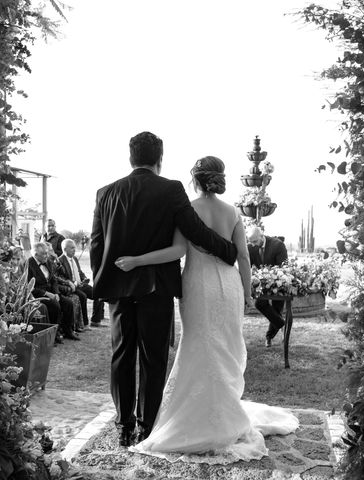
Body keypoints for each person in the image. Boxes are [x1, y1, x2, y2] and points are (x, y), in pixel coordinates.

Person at [115, 156, 298, 463]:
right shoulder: (233, 212)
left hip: (198, 285)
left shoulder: (188, 210)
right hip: (228, 288)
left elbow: (176, 251)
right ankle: (224, 415)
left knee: (199, 345)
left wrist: (137, 260)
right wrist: (248, 293)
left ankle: (196, 417)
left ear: (196, 180)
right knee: (225, 348)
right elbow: (243, 258)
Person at [90, 132, 238, 448]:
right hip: (156, 288)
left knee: (121, 356)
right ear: (160, 159)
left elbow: (97, 245)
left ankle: (123, 426)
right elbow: (194, 230)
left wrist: (103, 286)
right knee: (153, 357)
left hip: (119, 287)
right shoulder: (171, 189)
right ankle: (146, 427)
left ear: (131, 158)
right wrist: (228, 250)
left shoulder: (105, 193)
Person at [27, 243, 80, 341]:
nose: (47, 256)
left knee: (68, 303)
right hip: (39, 295)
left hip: (52, 292)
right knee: (55, 306)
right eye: (44, 254)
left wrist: (56, 293)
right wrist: (46, 294)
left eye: (47, 253)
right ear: (35, 255)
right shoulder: (29, 264)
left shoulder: (47, 262)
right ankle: (54, 334)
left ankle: (68, 331)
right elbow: (30, 287)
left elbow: (53, 280)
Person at [246, 226, 288, 347]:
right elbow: (247, 265)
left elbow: (283, 267)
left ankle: (269, 337)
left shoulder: (277, 245)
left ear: (261, 235)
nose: (253, 244)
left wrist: (271, 278)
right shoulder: (251, 247)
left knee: (276, 309)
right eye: (250, 241)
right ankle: (282, 324)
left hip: (279, 282)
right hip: (262, 283)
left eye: (254, 241)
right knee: (260, 304)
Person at [58, 238, 106, 329]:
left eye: (74, 248)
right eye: (72, 248)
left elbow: (80, 272)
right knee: (82, 296)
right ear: (65, 249)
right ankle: (85, 324)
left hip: (81, 284)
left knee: (98, 293)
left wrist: (84, 278)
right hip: (72, 286)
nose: (74, 250)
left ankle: (95, 320)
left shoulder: (75, 258)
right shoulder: (60, 261)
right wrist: (73, 283)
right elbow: (62, 278)